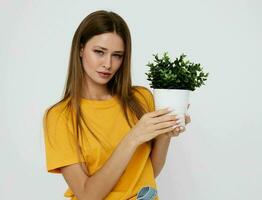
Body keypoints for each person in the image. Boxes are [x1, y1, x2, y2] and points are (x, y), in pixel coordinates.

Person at [43, 10, 191, 200]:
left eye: (117, 55)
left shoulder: (140, 98)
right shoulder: (59, 116)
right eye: (99, 52)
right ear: (80, 49)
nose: (108, 64)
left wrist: (165, 133)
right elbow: (88, 195)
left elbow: (148, 172)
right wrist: (133, 138)